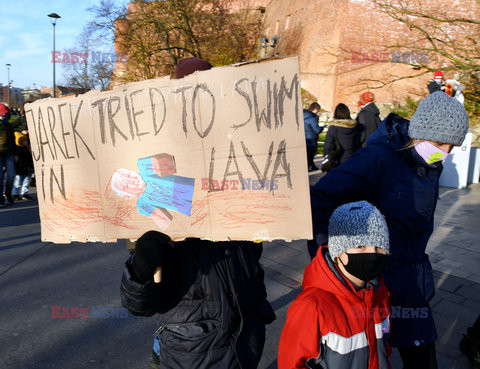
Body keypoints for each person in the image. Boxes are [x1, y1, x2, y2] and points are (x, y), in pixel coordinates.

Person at [120, 57, 276, 369]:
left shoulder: (239, 162)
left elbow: (249, 258)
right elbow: (139, 302)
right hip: (191, 350)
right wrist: (141, 267)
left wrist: (256, 303)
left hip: (245, 342)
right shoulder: (158, 176)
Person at [308, 91, 469, 369]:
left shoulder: (430, 162)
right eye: (441, 143)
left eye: (452, 146)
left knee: (421, 354)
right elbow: (318, 201)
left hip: (413, 279)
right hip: (378, 280)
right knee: (377, 357)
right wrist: (336, 260)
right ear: (419, 134)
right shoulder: (379, 158)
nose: (446, 152)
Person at [278, 201, 391, 369]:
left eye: (379, 246)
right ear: (339, 251)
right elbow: (292, 364)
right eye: (361, 246)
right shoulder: (311, 306)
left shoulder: (380, 293)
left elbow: (382, 349)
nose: (372, 254)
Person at [322, 103, 361, 171]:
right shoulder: (354, 127)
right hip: (351, 160)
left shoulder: (334, 127)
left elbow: (327, 145)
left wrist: (327, 156)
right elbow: (357, 144)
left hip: (336, 161)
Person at [0, 103, 16, 207]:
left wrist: (15, 154)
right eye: (4, 114)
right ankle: (1, 198)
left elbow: (12, 140)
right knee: (0, 177)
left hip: (9, 153)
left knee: (11, 175)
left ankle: (8, 194)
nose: (6, 116)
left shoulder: (9, 125)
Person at [12, 132, 33, 201]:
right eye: (24, 141)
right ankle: (16, 194)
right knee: (18, 183)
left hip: (27, 169)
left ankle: (24, 193)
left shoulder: (27, 149)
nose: (26, 142)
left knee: (26, 182)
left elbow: (30, 158)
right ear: (20, 142)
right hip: (19, 169)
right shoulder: (17, 150)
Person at [303, 102, 323, 172]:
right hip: (311, 139)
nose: (318, 112)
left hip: (304, 138)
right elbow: (317, 130)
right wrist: (322, 128)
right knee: (311, 154)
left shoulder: (303, 114)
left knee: (308, 155)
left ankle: (312, 166)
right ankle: (308, 168)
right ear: (315, 109)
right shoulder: (312, 117)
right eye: (318, 110)